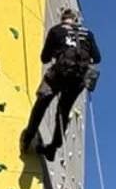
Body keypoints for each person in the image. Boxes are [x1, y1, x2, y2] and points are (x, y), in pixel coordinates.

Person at [19, 8, 101, 159]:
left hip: (59, 74)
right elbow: (97, 58)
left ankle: (29, 136)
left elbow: (44, 58)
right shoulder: (88, 33)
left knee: (42, 101)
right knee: (63, 111)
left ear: (62, 18)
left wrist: (57, 52)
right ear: (75, 20)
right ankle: (53, 147)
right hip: (78, 80)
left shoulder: (56, 30)